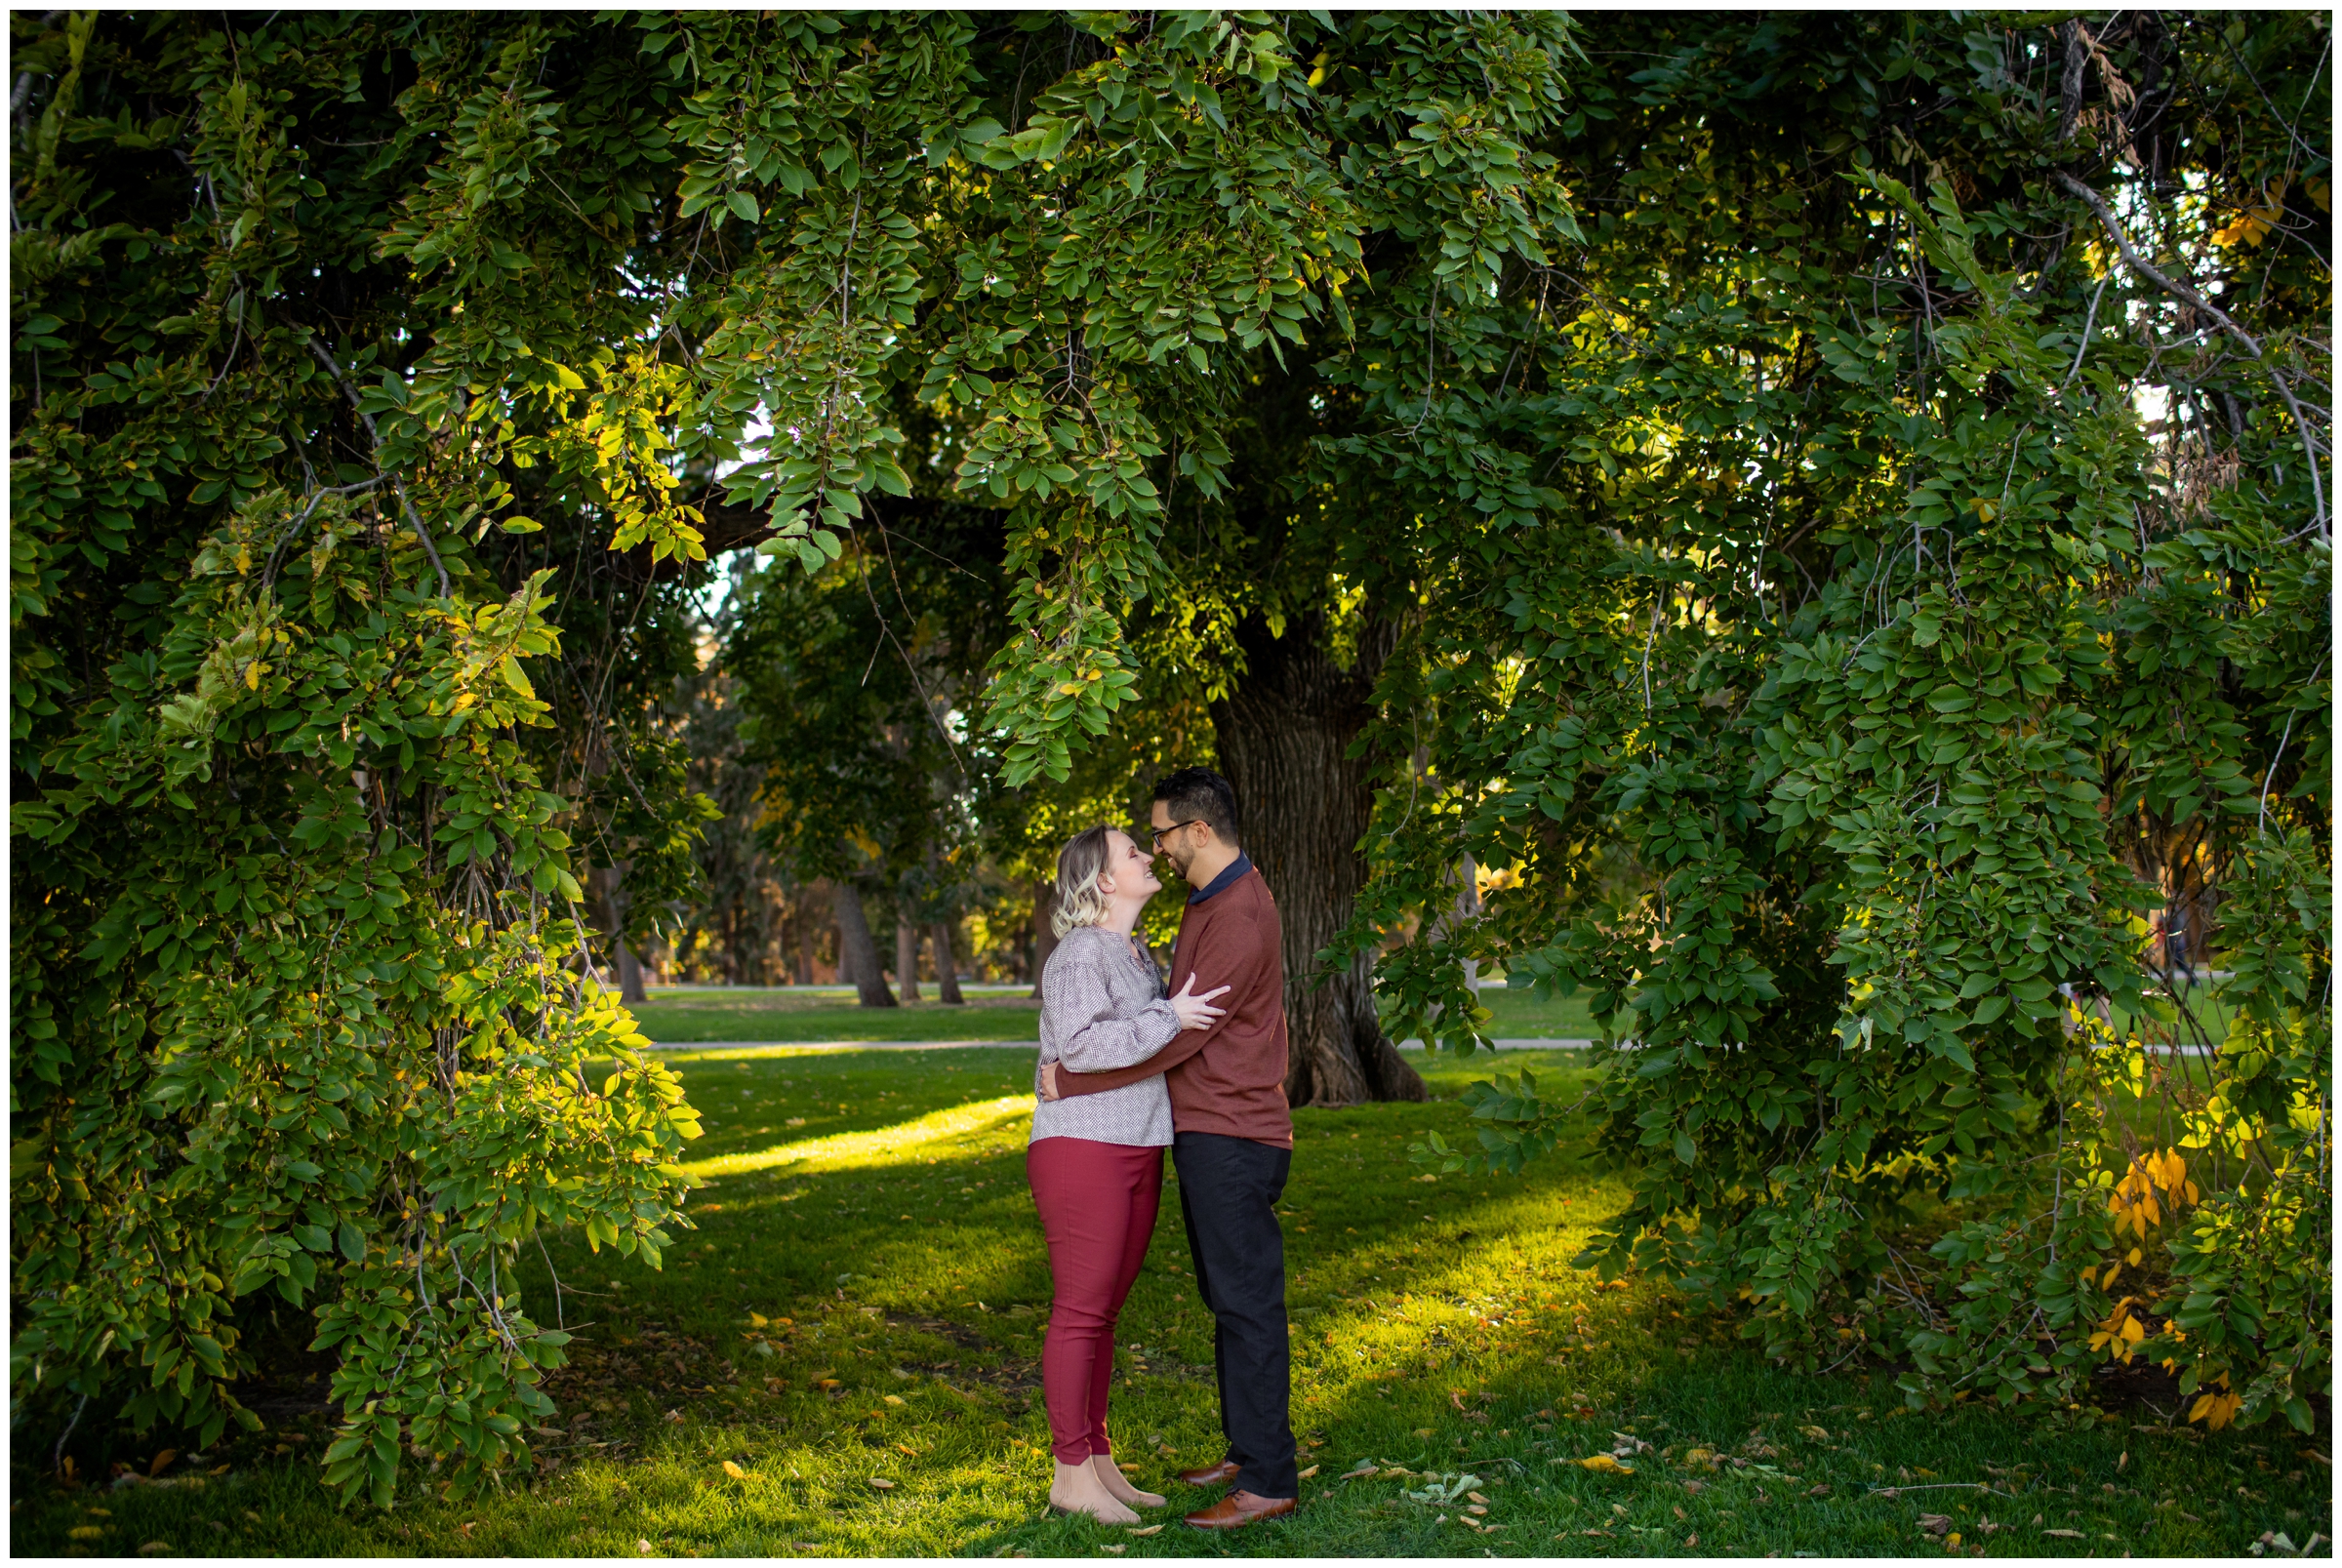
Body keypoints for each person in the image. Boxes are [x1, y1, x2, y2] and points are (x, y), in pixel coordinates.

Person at [1040, 766, 1299, 1531]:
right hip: (1198, 1130)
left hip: (1233, 1131)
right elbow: (1157, 1024)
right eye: (1140, 843)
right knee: (1227, 1300)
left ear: (1197, 830)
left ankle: (1266, 1476)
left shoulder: (1238, 914)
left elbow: (1188, 1033)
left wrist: (1074, 1085)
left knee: (1247, 1302)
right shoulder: (1202, 904)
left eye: (1158, 834)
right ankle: (1244, 1448)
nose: (1155, 848)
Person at [1028, 824, 1231, 1525]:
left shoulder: (1133, 953)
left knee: (1103, 1313)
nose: (1150, 856)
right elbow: (1082, 1050)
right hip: (1082, 1148)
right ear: (1104, 881)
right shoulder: (1082, 952)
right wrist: (1168, 1015)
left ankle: (1097, 1461)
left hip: (1137, 1145)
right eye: (1133, 853)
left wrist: (1162, 1012)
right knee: (1080, 1311)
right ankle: (1067, 1474)